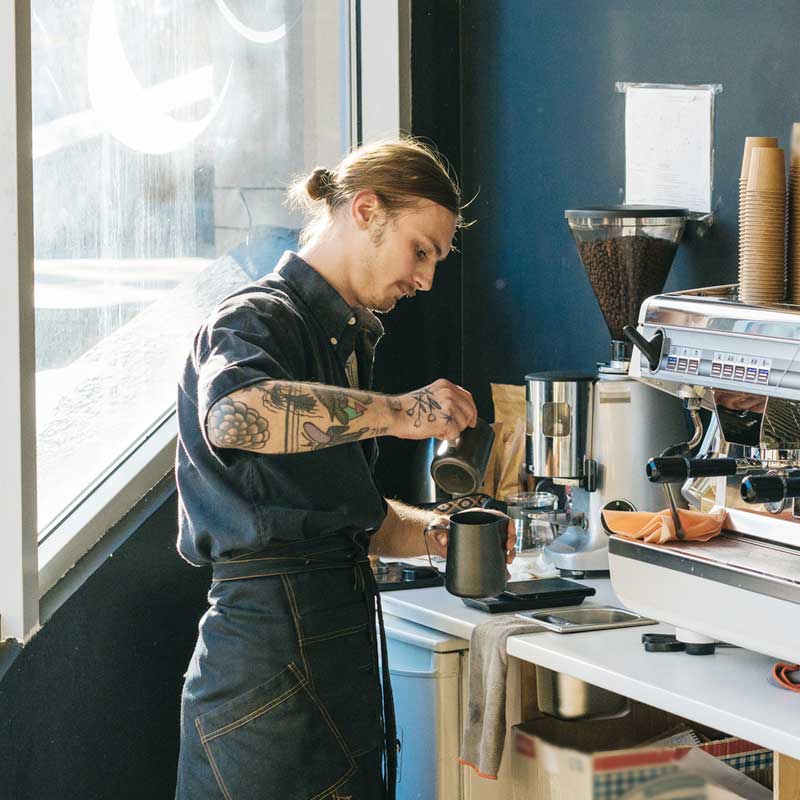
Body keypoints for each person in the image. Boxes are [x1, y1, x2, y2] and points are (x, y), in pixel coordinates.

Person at [174, 137, 516, 799]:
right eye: (421, 250)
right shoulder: (257, 318)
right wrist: (397, 411)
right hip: (268, 661)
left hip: (331, 642)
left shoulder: (344, 340)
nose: (425, 279)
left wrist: (435, 537)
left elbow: (336, 515)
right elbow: (235, 415)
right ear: (365, 210)